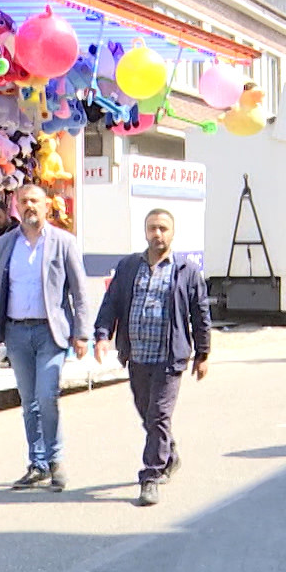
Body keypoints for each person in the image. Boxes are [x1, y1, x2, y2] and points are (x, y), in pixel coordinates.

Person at [0, 185, 90, 491]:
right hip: (16, 332)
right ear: (16, 206)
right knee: (29, 402)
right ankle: (37, 464)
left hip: (49, 332)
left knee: (47, 396)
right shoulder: (6, 243)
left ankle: (55, 459)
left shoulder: (64, 243)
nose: (29, 206)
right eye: (23, 202)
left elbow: (79, 292)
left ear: (46, 205)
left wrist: (82, 333)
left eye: (35, 201)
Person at [93, 209, 213, 506]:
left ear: (172, 233)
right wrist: (102, 335)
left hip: (170, 357)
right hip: (137, 355)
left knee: (159, 414)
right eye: (152, 228)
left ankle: (150, 475)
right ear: (145, 232)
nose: (157, 233)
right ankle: (168, 453)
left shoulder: (186, 270)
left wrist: (203, 353)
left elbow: (200, 314)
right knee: (147, 413)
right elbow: (111, 303)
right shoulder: (129, 266)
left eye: (163, 228)